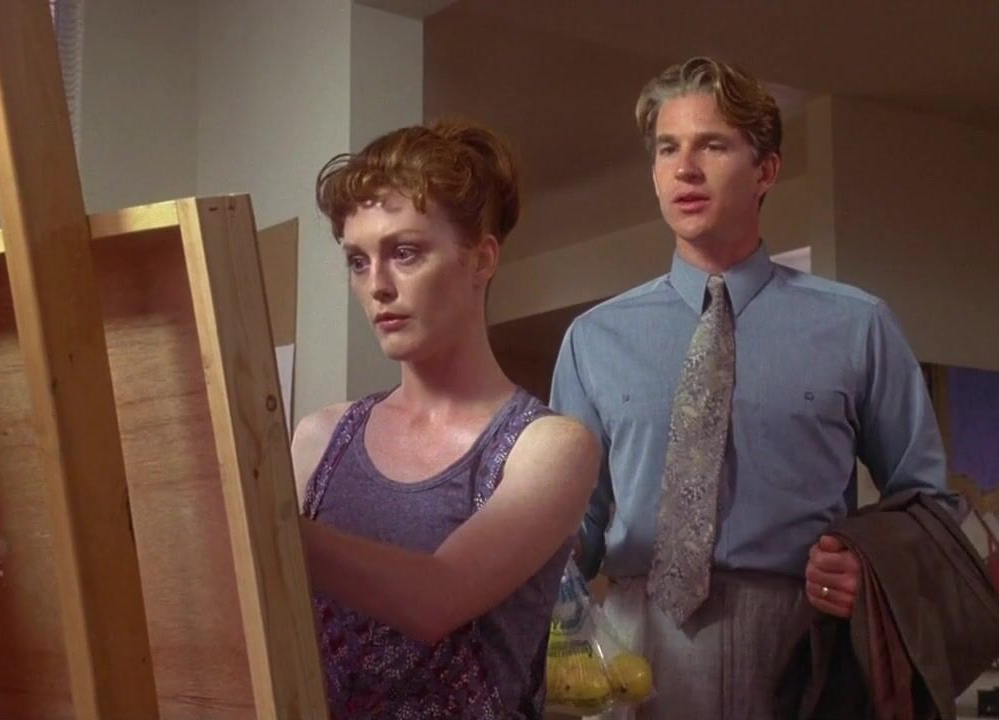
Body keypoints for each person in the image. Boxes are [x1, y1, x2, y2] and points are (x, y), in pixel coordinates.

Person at [549, 57, 948, 719]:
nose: (685, 168)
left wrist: (870, 565)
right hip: (634, 646)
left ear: (766, 171)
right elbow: (575, 521)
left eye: (712, 145)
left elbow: (927, 503)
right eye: (668, 149)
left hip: (802, 643)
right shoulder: (594, 339)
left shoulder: (858, 326)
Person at [292, 120, 599, 718]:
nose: (378, 286)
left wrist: (260, 526)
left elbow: (436, 597)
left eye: (404, 253)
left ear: (481, 258)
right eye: (358, 261)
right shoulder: (320, 437)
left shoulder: (548, 447)